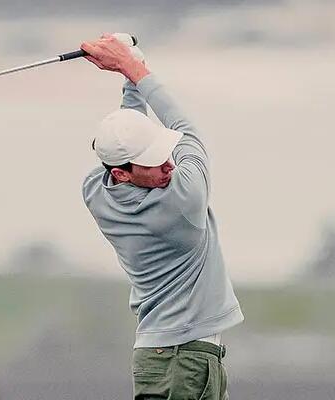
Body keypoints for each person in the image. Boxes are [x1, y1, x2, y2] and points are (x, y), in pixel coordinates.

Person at [80, 34, 244, 400]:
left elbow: (128, 132)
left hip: (153, 358)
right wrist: (134, 68)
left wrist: (129, 78)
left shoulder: (96, 189)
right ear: (122, 172)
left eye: (164, 154)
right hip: (188, 358)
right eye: (155, 163)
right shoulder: (183, 201)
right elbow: (186, 129)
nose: (169, 165)